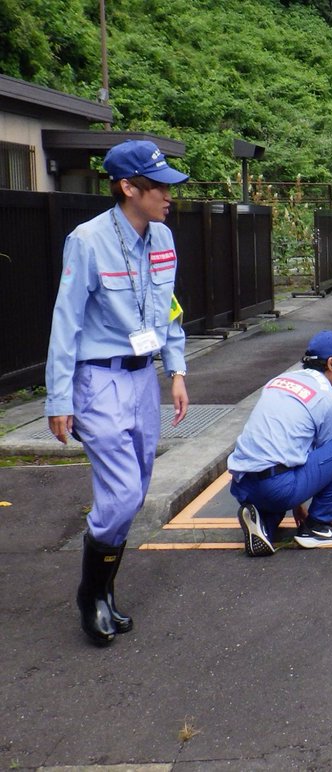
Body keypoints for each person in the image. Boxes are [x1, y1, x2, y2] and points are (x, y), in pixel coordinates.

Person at [45, 140, 191, 646]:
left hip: (141, 378)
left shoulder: (165, 237)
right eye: (160, 186)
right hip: (97, 379)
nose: (169, 194)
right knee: (123, 493)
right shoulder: (87, 241)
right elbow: (65, 321)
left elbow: (169, 307)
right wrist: (58, 398)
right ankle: (91, 595)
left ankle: (105, 592)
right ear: (129, 188)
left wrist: (176, 369)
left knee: (137, 485)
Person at [228, 330, 332, 555]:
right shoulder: (328, 399)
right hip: (277, 485)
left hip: (244, 484)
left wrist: (296, 506)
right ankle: (318, 527)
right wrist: (327, 510)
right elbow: (327, 459)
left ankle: (263, 524)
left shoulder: (279, 380)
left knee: (275, 505)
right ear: (331, 363)